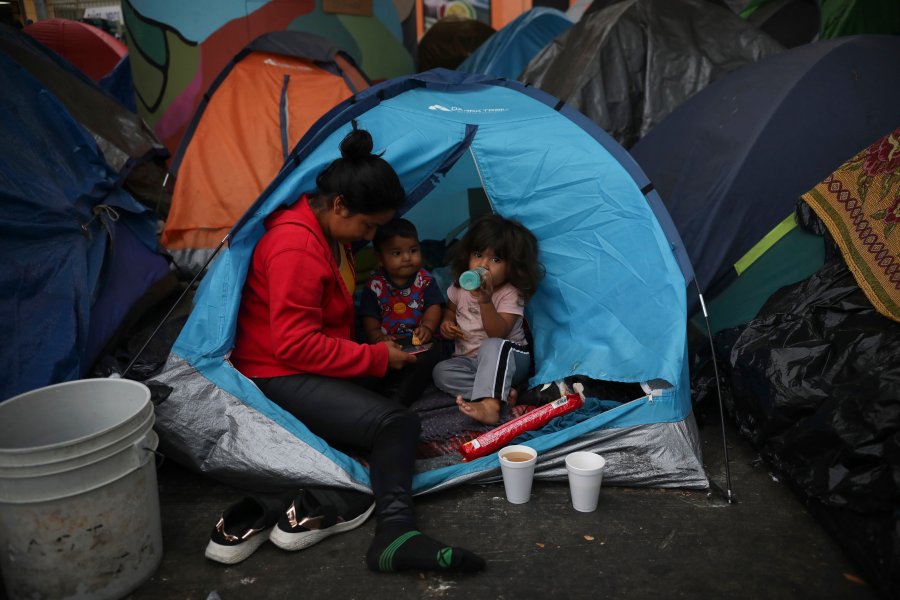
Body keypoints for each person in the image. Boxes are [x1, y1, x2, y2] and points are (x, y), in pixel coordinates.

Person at [229, 125, 485, 574]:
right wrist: (377, 356)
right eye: (368, 226)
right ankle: (395, 534)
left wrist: (382, 350)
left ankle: (363, 434)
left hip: (314, 360)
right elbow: (293, 345)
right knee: (397, 423)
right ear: (340, 205)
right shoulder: (296, 246)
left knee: (424, 357)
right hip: (277, 372)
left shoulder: (328, 232)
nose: (370, 237)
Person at [434, 214, 542, 425]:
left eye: (496, 259)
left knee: (492, 345)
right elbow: (450, 310)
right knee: (441, 372)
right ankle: (501, 392)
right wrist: (446, 323)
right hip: (469, 361)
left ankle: (491, 406)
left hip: (510, 359)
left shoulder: (510, 293)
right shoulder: (459, 288)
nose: (483, 265)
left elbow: (498, 332)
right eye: (477, 255)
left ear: (513, 266)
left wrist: (485, 301)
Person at [359, 218, 444, 406]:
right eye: (397, 253)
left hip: (419, 340)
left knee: (429, 357)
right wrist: (376, 337)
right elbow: (369, 316)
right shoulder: (375, 285)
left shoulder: (425, 280)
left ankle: (399, 400)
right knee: (370, 363)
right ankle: (373, 395)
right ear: (380, 258)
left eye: (413, 251)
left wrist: (428, 328)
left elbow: (434, 306)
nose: (407, 258)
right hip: (389, 343)